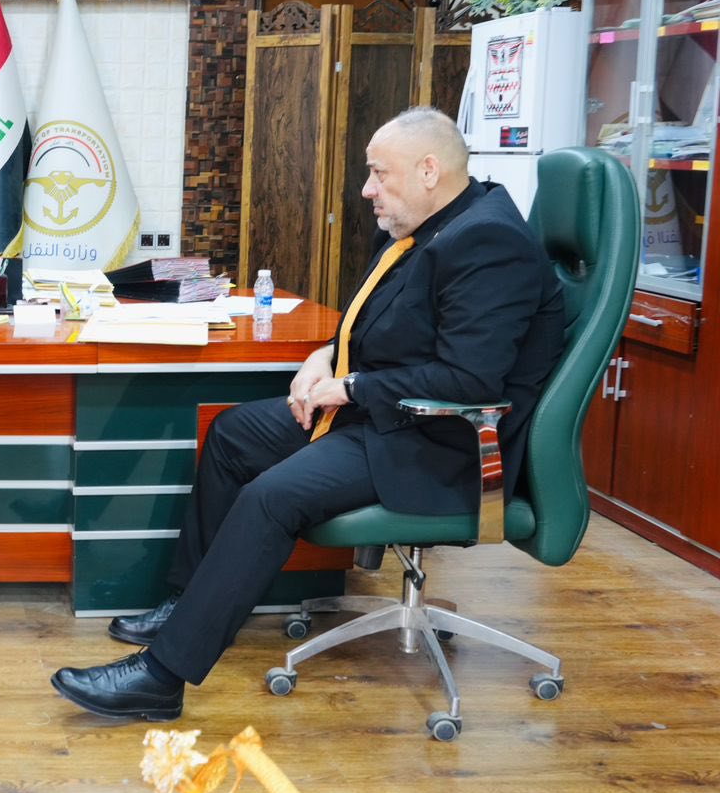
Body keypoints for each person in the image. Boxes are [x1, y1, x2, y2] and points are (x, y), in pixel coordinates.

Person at [51, 107, 566, 721]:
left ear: (429, 170)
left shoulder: (489, 243)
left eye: (378, 174)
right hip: (387, 416)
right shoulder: (424, 225)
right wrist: (326, 355)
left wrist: (350, 387)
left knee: (271, 497)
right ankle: (193, 604)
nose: (367, 189)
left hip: (437, 441)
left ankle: (161, 679)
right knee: (234, 435)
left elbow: (468, 379)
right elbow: (375, 323)